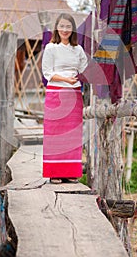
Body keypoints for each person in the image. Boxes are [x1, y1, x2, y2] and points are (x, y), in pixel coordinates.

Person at [42, 13, 88, 184]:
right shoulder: (51, 48)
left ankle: (70, 172)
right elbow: (47, 73)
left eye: (68, 27)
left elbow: (84, 69)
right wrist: (66, 79)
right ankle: (54, 172)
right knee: (55, 133)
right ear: (56, 28)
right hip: (56, 92)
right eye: (62, 26)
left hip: (75, 94)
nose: (65, 30)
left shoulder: (78, 50)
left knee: (72, 134)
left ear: (73, 29)